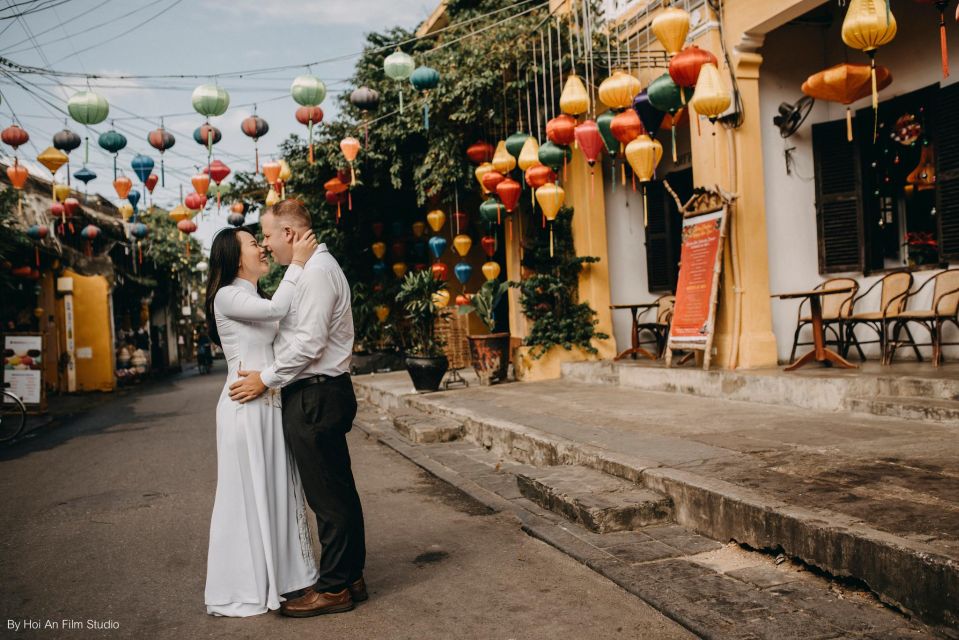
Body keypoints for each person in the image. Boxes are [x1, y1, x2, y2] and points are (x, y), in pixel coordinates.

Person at [229, 199, 365, 618]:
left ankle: (335, 587)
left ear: (289, 233)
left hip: (316, 394)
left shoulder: (318, 273)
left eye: (267, 235)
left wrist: (265, 378)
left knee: (326, 496)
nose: (266, 245)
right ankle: (350, 575)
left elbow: (308, 344)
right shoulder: (309, 271)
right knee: (337, 488)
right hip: (318, 392)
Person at [203, 225, 320, 617]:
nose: (262, 248)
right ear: (236, 258)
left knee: (272, 491)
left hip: (267, 401)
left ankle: (281, 578)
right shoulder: (227, 295)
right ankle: (243, 584)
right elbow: (275, 312)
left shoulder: (252, 294)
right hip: (244, 405)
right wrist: (299, 264)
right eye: (254, 244)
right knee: (246, 495)